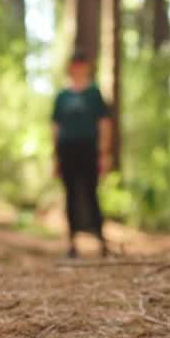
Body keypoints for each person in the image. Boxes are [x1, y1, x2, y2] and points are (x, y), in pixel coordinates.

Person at [52, 50, 112, 258]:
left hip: (89, 149)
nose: (78, 68)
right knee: (70, 196)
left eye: (81, 64)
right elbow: (56, 126)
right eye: (74, 64)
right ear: (70, 68)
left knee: (91, 193)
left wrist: (104, 153)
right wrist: (55, 156)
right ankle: (71, 242)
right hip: (67, 150)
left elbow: (104, 123)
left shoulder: (94, 94)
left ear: (87, 67)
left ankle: (101, 241)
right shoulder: (62, 96)